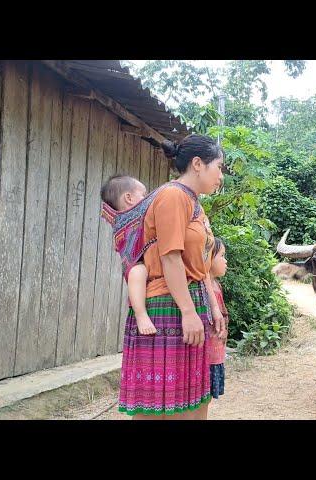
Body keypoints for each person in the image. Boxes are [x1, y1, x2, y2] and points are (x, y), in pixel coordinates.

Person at [117, 134, 226, 420]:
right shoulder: (173, 196)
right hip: (167, 306)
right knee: (159, 408)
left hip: (188, 304)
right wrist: (188, 312)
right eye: (219, 166)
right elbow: (170, 257)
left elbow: (198, 264)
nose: (221, 176)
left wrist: (211, 308)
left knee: (188, 402)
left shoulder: (194, 203)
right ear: (198, 164)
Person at [100, 175, 156, 336]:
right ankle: (141, 315)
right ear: (129, 198)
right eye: (143, 194)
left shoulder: (136, 217)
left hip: (140, 260)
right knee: (138, 272)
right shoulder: (129, 219)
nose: (146, 198)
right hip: (134, 263)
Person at [206, 237, 229, 400]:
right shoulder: (203, 288)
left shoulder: (217, 286)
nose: (225, 261)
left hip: (217, 353)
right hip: (207, 355)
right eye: (221, 256)